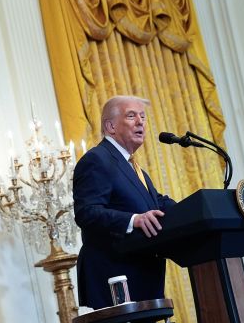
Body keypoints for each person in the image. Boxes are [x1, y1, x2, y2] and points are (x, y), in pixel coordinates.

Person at [73, 95, 176, 309]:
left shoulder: (134, 168)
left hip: (142, 280)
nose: (141, 122)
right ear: (110, 126)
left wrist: (198, 209)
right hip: (115, 281)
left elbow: (155, 203)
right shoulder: (97, 159)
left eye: (143, 117)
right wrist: (134, 220)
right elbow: (87, 213)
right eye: (131, 116)